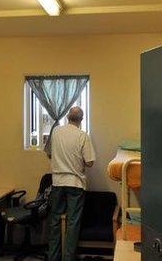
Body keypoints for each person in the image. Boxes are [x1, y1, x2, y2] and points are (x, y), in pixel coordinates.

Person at [47, 106, 96, 261]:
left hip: (57, 182)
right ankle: (68, 258)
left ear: (68, 117)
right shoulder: (83, 136)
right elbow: (89, 163)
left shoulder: (56, 131)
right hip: (75, 183)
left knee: (55, 221)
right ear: (81, 120)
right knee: (72, 223)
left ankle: (53, 257)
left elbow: (49, 153)